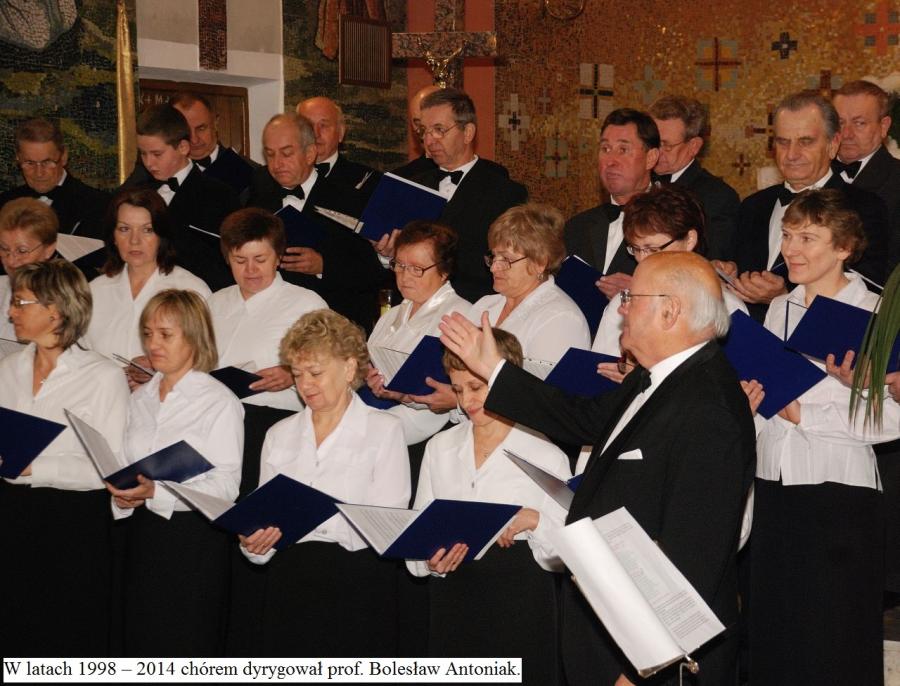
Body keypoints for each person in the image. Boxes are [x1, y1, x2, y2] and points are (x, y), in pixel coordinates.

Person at [440, 251, 756, 686]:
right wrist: (494, 371)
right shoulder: (655, 378)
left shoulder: (709, 406)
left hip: (652, 657)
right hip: (608, 628)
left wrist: (642, 671)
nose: (622, 309)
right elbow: (579, 418)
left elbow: (695, 556)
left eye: (631, 298)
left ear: (670, 311)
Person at [746, 189, 900, 685]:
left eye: (808, 238)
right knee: (777, 626)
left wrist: (803, 413)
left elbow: (892, 417)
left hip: (838, 490)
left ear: (843, 248)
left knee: (833, 633)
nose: (791, 249)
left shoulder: (877, 312)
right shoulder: (779, 307)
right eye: (788, 235)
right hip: (773, 480)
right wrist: (751, 403)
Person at [240, 309, 410, 656]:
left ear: (349, 368)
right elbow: (263, 521)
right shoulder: (279, 434)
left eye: (316, 373)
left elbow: (388, 524)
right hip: (290, 581)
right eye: (297, 374)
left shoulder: (384, 430)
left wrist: (317, 518)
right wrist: (253, 542)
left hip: (357, 582)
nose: (305, 385)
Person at [407, 329, 569, 684]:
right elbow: (419, 530)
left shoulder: (546, 453)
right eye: (458, 390)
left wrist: (534, 521)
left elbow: (568, 553)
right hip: (454, 595)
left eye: (476, 387)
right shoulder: (440, 447)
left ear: (507, 379)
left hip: (519, 598)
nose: (467, 400)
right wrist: (430, 560)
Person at [0, 259, 130, 656]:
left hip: (71, 524)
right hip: (11, 515)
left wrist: (35, 467)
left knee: (64, 637)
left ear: (55, 311)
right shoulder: (8, 368)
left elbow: (109, 469)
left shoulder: (102, 376)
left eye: (20, 302)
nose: (10, 312)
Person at [106, 289, 243, 656]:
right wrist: (123, 497)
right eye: (148, 333)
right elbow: (125, 465)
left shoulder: (219, 401)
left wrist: (158, 492)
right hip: (141, 537)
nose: (153, 344)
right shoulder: (139, 398)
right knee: (138, 642)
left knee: (185, 644)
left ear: (194, 337)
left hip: (193, 541)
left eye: (166, 334)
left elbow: (227, 487)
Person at [719, 91, 889, 322]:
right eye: (783, 142)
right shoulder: (753, 205)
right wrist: (727, 272)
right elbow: (740, 266)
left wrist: (787, 296)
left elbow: (870, 288)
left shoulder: (862, 207)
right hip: (747, 335)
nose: (791, 154)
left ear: (833, 145)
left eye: (805, 142)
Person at [834, 79, 900, 600]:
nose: (849, 132)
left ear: (884, 127)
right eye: (841, 122)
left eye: (861, 122)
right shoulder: (825, 183)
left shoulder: (894, 184)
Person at [246, 112, 384, 332]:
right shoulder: (257, 198)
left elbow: (373, 272)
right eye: (270, 154)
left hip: (334, 324)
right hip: (271, 322)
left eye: (286, 153)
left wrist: (324, 265)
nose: (277, 163)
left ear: (310, 153)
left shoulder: (350, 199)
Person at [391, 88, 527, 303]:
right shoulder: (412, 186)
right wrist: (388, 253)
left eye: (439, 130)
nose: (429, 140)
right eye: (424, 131)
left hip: (471, 306)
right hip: (413, 306)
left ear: (468, 132)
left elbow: (507, 265)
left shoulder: (505, 193)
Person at [591, 185, 747, 360]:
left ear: (689, 240)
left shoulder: (726, 306)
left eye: (653, 249)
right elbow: (599, 366)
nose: (643, 260)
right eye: (635, 249)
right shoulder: (622, 304)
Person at [367, 220, 470, 446]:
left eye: (417, 269)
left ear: (444, 271)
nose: (405, 277)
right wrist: (373, 380)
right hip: (384, 413)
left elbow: (459, 390)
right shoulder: (392, 314)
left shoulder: (460, 316)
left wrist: (401, 395)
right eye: (400, 265)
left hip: (432, 430)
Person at [84, 188, 211, 362]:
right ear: (113, 236)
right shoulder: (95, 290)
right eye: (124, 229)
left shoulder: (191, 290)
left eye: (147, 230)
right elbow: (79, 356)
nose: (134, 240)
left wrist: (159, 368)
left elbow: (207, 357)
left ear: (161, 235)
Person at [128, 103, 240, 290]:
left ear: (183, 147)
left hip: (196, 296)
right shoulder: (136, 193)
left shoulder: (219, 195)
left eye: (157, 154)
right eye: (143, 154)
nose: (149, 163)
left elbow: (228, 262)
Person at [471, 203, 590, 370]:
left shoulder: (561, 318)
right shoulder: (486, 304)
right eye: (494, 257)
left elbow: (540, 386)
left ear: (540, 263)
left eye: (506, 259)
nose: (493, 268)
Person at [565, 108, 660, 304]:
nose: (611, 161)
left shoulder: (672, 224)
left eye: (623, 150)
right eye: (605, 149)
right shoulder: (577, 226)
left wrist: (642, 291)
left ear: (651, 158)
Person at [649, 95, 740, 261]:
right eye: (653, 142)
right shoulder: (640, 182)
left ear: (694, 146)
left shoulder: (718, 197)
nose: (656, 151)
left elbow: (710, 261)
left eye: (666, 145)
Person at [0, 117, 109, 240]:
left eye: (47, 162)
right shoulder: (4, 204)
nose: (39, 173)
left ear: (63, 157)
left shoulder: (97, 205)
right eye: (29, 163)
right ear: (18, 159)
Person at [296, 96, 380, 202]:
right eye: (308, 126)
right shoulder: (276, 177)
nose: (316, 134)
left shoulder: (370, 182)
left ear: (341, 132)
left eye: (323, 125)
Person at [0, 198, 58, 343]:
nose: (11, 260)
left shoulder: (63, 300)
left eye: (22, 251)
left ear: (49, 249)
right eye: (4, 248)